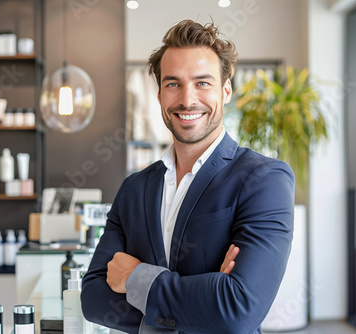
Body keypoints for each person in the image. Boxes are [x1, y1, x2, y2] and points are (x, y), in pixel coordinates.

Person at [81, 19, 295, 334]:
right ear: (159, 95)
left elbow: (238, 309)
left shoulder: (264, 179)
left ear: (225, 91)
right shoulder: (133, 189)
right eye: (173, 83)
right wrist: (204, 300)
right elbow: (94, 300)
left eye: (202, 83)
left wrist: (136, 278)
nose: (187, 99)